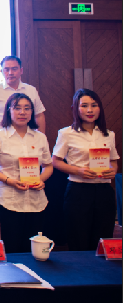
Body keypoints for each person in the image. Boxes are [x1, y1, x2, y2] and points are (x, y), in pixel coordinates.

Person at [0, 93, 53, 253]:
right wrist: (9, 181)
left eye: (27, 108)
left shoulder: (40, 137)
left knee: (34, 251)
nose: (22, 112)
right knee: (12, 250)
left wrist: (41, 180)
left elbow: (48, 166)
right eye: (17, 108)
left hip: (36, 201)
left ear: (32, 112)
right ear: (9, 111)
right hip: (10, 201)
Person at [52, 88, 119, 251]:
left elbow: (114, 161)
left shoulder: (108, 134)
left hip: (104, 191)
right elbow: (56, 161)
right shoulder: (66, 133)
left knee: (102, 241)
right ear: (75, 108)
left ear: (99, 108)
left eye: (94, 105)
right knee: (78, 241)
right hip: (78, 191)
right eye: (84, 106)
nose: (90, 110)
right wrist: (77, 171)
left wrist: (113, 170)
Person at [0, 56, 45, 152]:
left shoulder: (31, 90)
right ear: (2, 71)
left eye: (14, 69)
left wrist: (41, 139)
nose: (10, 73)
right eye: (6, 69)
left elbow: (39, 115)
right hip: (1, 139)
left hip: (27, 139)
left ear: (21, 70)